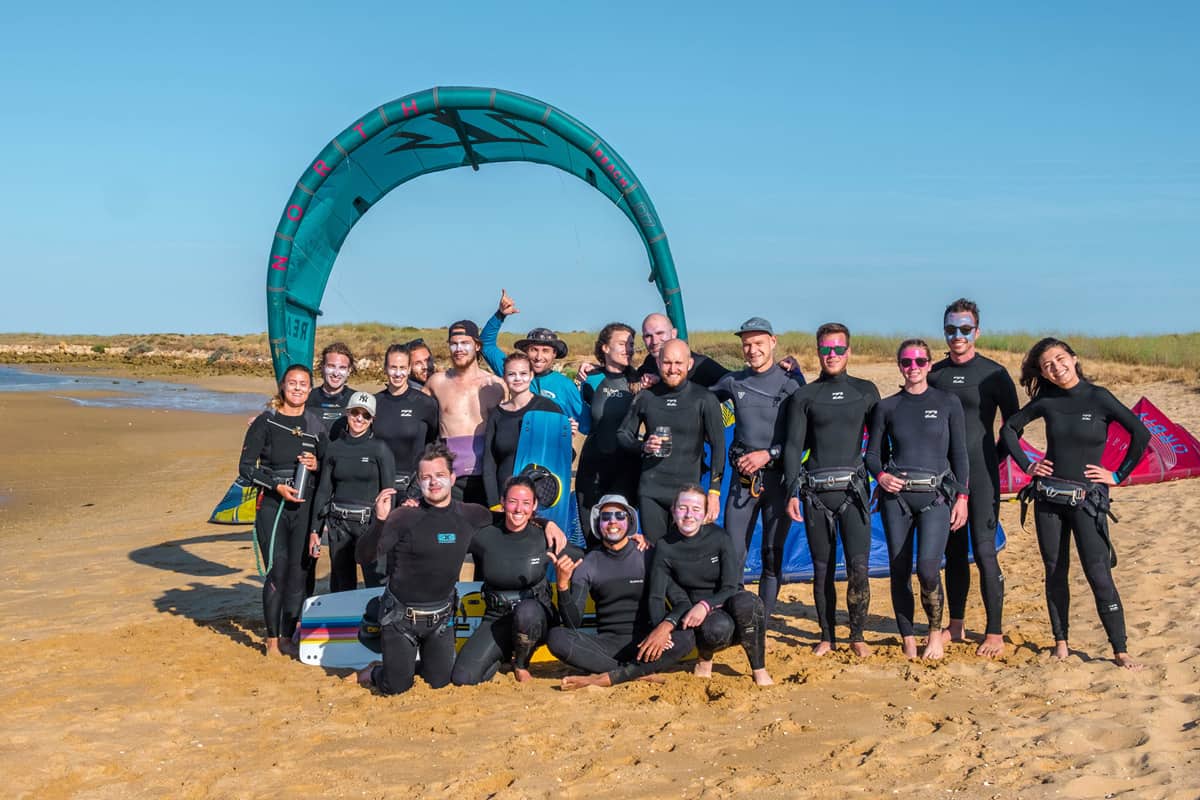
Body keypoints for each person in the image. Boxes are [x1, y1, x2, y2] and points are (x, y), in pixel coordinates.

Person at [999, 338, 1149, 670]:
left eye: (1060, 359)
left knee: (1098, 573)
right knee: (1055, 571)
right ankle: (1061, 643)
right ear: (1043, 372)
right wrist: (1028, 465)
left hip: (1088, 501)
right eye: (1047, 365)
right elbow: (1009, 429)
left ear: (1074, 359)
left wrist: (1118, 474)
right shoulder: (1046, 402)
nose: (1056, 367)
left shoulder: (1099, 397)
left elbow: (1141, 434)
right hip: (1049, 498)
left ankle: (1120, 650)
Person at [352, 443, 493, 695]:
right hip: (400, 620)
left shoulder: (469, 514)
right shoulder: (403, 517)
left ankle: (405, 666)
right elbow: (363, 556)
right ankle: (377, 670)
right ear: (419, 480)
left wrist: (545, 523)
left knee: (439, 685)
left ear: (452, 477)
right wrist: (380, 521)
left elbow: (510, 518)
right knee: (397, 688)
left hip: (441, 620)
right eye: (426, 477)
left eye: (439, 475)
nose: (434, 482)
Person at [866, 339, 970, 660]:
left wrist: (962, 496)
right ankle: (909, 638)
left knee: (927, 569)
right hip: (896, 499)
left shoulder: (948, 402)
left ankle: (934, 634)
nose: (914, 368)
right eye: (907, 362)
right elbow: (873, 456)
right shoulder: (887, 407)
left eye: (920, 361)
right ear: (899, 365)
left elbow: (960, 455)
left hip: (935, 497)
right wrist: (881, 477)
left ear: (929, 364)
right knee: (898, 569)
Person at [927, 299, 1019, 657]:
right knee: (953, 552)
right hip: (945, 477)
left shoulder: (994, 374)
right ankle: (956, 625)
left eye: (965, 329)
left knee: (984, 552)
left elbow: (1013, 427)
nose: (957, 336)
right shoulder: (934, 374)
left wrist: (992, 460)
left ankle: (994, 631)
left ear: (977, 331)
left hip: (982, 475)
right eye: (951, 329)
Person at [784, 323, 880, 656]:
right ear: (818, 351)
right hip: (815, 494)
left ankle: (857, 636)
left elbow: (879, 446)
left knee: (859, 568)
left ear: (849, 352)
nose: (832, 355)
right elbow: (794, 447)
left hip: (853, 493)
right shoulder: (805, 396)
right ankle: (827, 636)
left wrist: (881, 479)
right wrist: (791, 492)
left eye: (839, 349)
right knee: (821, 569)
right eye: (826, 349)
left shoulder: (866, 391)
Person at [549, 495, 694, 689]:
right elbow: (572, 623)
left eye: (620, 516)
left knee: (688, 636)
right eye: (606, 517)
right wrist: (562, 586)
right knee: (556, 637)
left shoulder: (648, 555)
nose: (613, 522)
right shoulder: (589, 563)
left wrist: (663, 629)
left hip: (649, 643)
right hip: (607, 647)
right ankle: (632, 673)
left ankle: (608, 677)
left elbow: (682, 602)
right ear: (598, 524)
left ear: (630, 521)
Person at [711, 317, 804, 617]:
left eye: (758, 343)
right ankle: (738, 614)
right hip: (742, 481)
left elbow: (802, 438)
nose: (752, 350)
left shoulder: (793, 384)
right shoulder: (733, 382)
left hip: (779, 480)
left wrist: (769, 454)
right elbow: (694, 396)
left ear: (773, 342)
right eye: (746, 344)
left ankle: (763, 619)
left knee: (772, 555)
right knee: (734, 552)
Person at [450, 476, 576, 685]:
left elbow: (583, 557)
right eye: (513, 501)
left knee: (526, 612)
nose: (519, 509)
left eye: (526, 503)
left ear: (534, 505)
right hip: (497, 617)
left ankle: (521, 663)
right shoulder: (485, 535)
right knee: (463, 678)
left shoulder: (545, 536)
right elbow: (445, 539)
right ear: (503, 502)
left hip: (536, 618)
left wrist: (632, 542)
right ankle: (502, 655)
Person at [238, 363, 325, 656]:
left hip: (304, 503)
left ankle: (289, 635)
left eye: (303, 384)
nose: (298, 388)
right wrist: (275, 486)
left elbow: (328, 468)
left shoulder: (315, 424)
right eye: (292, 383)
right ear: (283, 387)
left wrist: (317, 464)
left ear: (310, 390)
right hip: (273, 504)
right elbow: (247, 468)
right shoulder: (267, 421)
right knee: (278, 571)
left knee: (299, 573)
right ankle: (273, 639)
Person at [646, 486, 772, 685]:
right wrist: (659, 630)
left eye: (696, 509)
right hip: (698, 619)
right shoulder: (665, 546)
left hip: (726, 602)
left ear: (705, 514)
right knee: (716, 628)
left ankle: (759, 668)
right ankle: (705, 660)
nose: (689, 515)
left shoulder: (719, 538)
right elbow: (656, 595)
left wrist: (704, 605)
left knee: (750, 603)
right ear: (673, 510)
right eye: (682, 508)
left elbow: (731, 586)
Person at [617, 339, 726, 541]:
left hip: (688, 493)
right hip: (652, 491)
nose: (673, 369)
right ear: (658, 363)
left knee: (686, 557)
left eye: (678, 363)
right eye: (667, 363)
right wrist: (644, 446)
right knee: (655, 555)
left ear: (689, 364)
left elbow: (719, 446)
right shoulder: (646, 397)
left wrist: (714, 492)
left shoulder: (703, 399)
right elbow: (623, 435)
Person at [310, 392, 394, 592]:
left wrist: (383, 528)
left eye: (365, 415)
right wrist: (315, 530)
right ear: (347, 413)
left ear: (372, 420)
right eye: (355, 412)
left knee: (376, 582)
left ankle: (375, 623)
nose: (359, 419)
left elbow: (389, 493)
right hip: (338, 524)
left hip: (369, 524)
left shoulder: (380, 449)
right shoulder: (334, 448)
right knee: (341, 585)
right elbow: (323, 490)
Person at [480, 289, 589, 433]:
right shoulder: (513, 372)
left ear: (554, 354)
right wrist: (500, 315)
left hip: (549, 449)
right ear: (525, 351)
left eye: (545, 351)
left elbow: (587, 424)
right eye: (534, 349)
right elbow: (486, 345)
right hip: (515, 448)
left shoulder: (565, 385)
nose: (538, 357)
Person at [424, 320, 506, 505]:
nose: (458, 348)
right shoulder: (436, 383)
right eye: (453, 344)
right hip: (450, 476)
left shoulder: (496, 385)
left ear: (477, 345)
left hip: (487, 476)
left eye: (465, 343)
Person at [576, 323, 641, 544]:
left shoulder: (640, 381)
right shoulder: (589, 378)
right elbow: (581, 420)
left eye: (631, 345)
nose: (629, 349)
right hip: (592, 465)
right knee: (591, 533)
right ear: (605, 348)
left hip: (626, 467)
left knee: (620, 536)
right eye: (622, 344)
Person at [482, 351, 563, 508]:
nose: (518, 378)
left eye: (523, 373)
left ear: (532, 375)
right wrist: (494, 503)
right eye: (512, 374)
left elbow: (565, 455)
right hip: (505, 496)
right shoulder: (497, 414)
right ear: (504, 378)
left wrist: (567, 434)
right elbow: (489, 462)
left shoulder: (547, 408)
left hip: (541, 496)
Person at [373, 344, 440, 497]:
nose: (397, 373)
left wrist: (419, 484)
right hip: (379, 486)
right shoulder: (375, 402)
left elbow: (434, 441)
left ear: (409, 369)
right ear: (385, 368)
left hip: (413, 489)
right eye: (393, 367)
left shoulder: (425, 403)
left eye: (402, 368)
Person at [635, 312, 730, 388]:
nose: (654, 341)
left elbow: (733, 383)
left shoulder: (702, 365)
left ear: (673, 334)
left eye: (660, 333)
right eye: (648, 336)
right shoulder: (649, 363)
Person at [306, 342, 357, 435]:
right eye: (331, 366)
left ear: (349, 371)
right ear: (322, 366)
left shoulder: (356, 400)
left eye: (342, 368)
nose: (336, 373)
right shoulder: (306, 398)